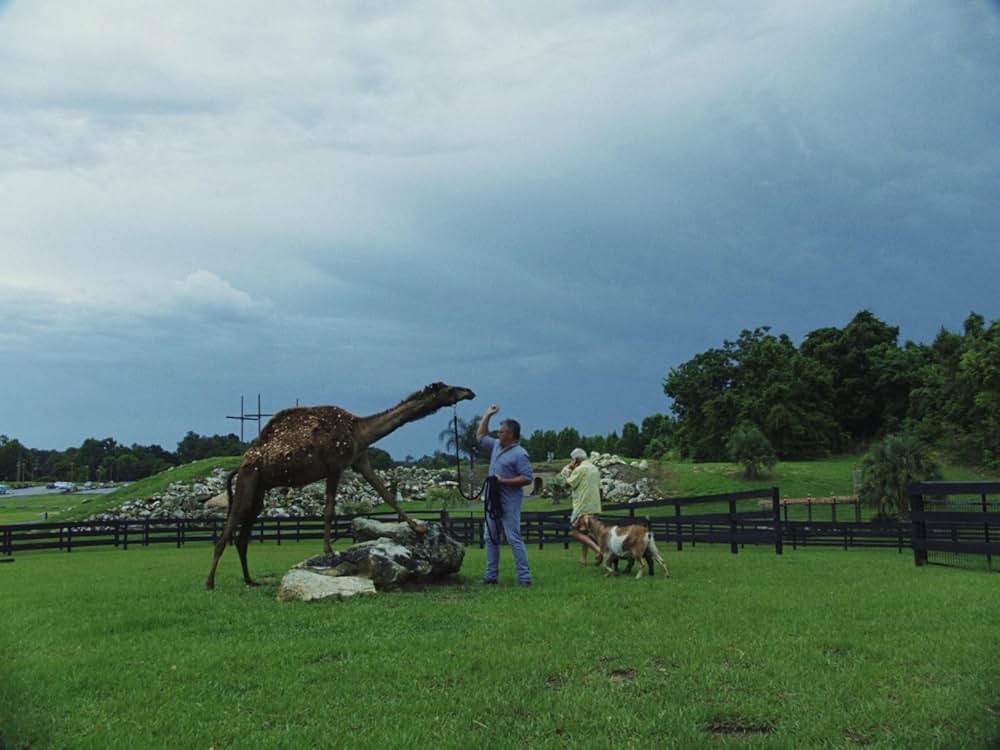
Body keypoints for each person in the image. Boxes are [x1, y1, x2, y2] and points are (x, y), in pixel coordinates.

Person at [477, 404, 533, 586]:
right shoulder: (495, 446)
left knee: (513, 537)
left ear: (511, 435)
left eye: (502, 432)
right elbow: (480, 436)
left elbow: (527, 478)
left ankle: (524, 577)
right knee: (490, 537)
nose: (498, 434)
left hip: (509, 502)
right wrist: (488, 415)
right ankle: (490, 576)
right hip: (492, 500)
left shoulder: (520, 454)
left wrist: (503, 481)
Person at [562, 448, 603, 565]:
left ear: (576, 459)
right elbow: (600, 488)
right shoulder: (595, 469)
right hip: (594, 506)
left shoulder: (579, 470)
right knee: (584, 532)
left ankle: (598, 550)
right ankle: (584, 559)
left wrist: (568, 469)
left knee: (574, 531)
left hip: (582, 506)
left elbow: (567, 485)